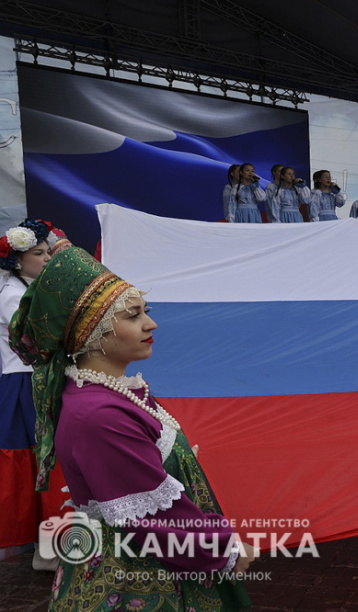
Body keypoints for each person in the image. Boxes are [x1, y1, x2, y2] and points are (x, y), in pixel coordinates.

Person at [10, 246, 255, 611]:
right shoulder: (99, 414)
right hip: (135, 575)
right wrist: (223, 546)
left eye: (146, 311)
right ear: (90, 332)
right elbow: (149, 518)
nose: (150, 324)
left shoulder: (114, 391)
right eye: (133, 315)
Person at [0, 219, 68, 571]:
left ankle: (49, 545)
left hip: (36, 381)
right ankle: (45, 547)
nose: (45, 259)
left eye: (47, 252)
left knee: (45, 462)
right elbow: (40, 340)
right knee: (38, 462)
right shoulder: (12, 295)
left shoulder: (32, 287)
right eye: (38, 254)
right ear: (16, 260)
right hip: (24, 385)